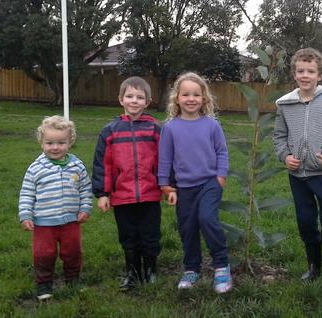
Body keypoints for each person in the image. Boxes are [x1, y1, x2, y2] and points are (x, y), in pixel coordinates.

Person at [273, 48, 322, 285]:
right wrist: (285, 156)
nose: (305, 75)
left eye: (310, 71)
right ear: (294, 74)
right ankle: (313, 266)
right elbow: (278, 136)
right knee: (306, 221)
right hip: (298, 177)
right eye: (300, 71)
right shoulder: (285, 105)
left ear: (320, 75)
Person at [92, 76, 169, 291]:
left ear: (148, 102)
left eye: (140, 97)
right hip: (121, 196)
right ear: (121, 99)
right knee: (128, 236)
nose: (134, 101)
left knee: (150, 235)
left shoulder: (155, 129)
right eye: (129, 96)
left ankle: (151, 271)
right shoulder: (110, 131)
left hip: (150, 194)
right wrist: (103, 193)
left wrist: (167, 186)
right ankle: (132, 273)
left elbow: (166, 159)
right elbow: (102, 164)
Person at [158, 72, 232, 294]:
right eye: (186, 94)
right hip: (184, 188)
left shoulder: (211, 125)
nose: (191, 99)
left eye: (196, 95)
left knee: (207, 219)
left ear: (204, 99)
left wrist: (220, 176)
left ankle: (221, 266)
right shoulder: (170, 128)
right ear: (177, 98)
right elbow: (165, 159)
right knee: (187, 228)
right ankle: (191, 268)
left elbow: (222, 152)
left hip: (210, 183)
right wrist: (164, 184)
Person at [19, 115, 92, 301]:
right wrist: (25, 215)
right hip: (44, 223)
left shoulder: (77, 166)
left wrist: (85, 208)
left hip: (71, 221)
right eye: (49, 142)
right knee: (44, 253)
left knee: (73, 252)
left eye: (61, 142)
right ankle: (44, 283)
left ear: (70, 142)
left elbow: (85, 188)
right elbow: (27, 193)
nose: (55, 147)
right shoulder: (36, 168)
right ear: (41, 143)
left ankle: (73, 279)